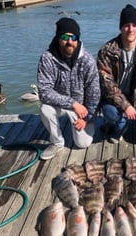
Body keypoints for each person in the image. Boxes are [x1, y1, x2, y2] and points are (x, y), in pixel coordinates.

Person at [37, 17, 100, 160]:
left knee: (83, 143)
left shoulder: (88, 60)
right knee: (44, 109)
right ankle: (57, 142)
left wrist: (88, 118)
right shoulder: (47, 58)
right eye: (65, 37)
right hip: (60, 104)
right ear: (58, 38)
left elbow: (94, 93)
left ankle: (82, 125)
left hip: (81, 109)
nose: (69, 42)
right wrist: (72, 103)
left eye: (74, 37)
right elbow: (44, 91)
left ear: (78, 40)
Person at [97, 4, 136, 144]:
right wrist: (126, 106)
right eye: (126, 25)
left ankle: (126, 122)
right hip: (113, 100)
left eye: (134, 25)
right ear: (120, 27)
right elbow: (107, 86)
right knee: (112, 114)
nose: (131, 29)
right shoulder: (106, 51)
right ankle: (119, 125)